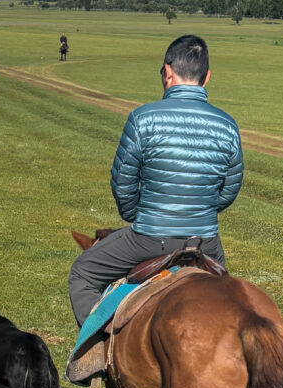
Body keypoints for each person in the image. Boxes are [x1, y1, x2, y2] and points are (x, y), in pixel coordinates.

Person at [68, 34, 243, 328]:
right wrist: (199, 211)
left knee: (82, 273)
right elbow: (230, 188)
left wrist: (136, 214)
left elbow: (123, 181)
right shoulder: (228, 125)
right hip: (206, 243)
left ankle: (99, 351)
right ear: (207, 76)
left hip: (149, 238)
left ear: (167, 72)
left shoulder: (142, 118)